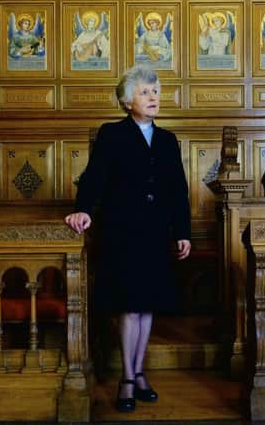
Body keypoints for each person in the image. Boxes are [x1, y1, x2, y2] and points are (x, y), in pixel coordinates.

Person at [64, 65, 191, 413]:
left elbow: (178, 190)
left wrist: (183, 231)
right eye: (145, 92)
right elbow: (94, 178)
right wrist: (83, 209)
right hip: (123, 231)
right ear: (126, 101)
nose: (154, 97)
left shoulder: (168, 140)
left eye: (156, 91)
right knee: (129, 307)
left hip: (156, 233)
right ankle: (127, 379)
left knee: (147, 305)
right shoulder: (112, 134)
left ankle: (137, 373)